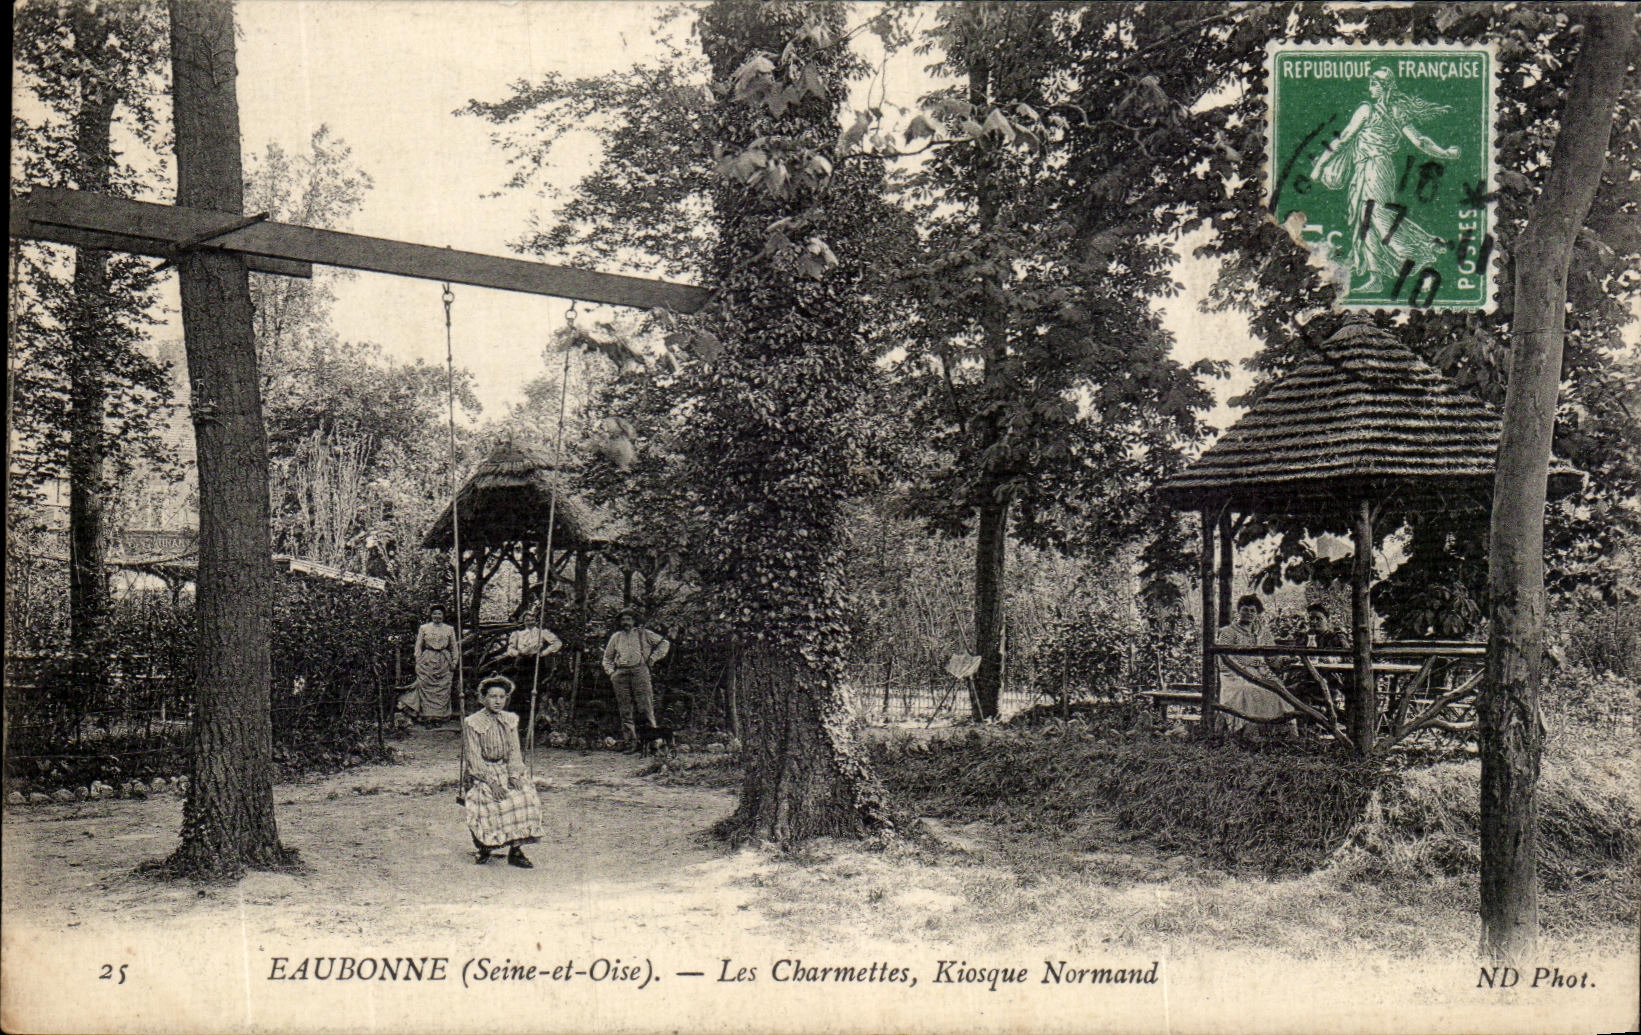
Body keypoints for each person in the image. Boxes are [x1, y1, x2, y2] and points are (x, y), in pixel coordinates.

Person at [1308, 68, 1460, 294]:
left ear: (1384, 87)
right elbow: (1420, 141)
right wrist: (1444, 153)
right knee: (1366, 220)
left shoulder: (1367, 109)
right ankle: (1376, 277)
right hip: (1373, 168)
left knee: (1375, 215)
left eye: (1374, 84)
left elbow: (1344, 138)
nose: (1370, 88)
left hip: (1373, 168)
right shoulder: (1397, 111)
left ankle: (1422, 246)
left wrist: (1320, 165)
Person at [462, 676, 543, 867]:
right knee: (490, 800)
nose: (498, 701)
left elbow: (515, 751)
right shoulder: (473, 723)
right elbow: (474, 758)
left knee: (524, 796)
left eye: (502, 697)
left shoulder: (510, 720)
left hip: (506, 769)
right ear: (483, 699)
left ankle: (516, 850)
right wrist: (492, 783)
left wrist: (514, 775)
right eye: (492, 696)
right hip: (482, 772)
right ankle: (485, 846)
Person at [1216, 594, 1293, 732]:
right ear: (1238, 611)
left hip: (1261, 673)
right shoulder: (1228, 633)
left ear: (1257, 613)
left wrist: (1284, 660)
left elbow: (1272, 658)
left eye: (1253, 611)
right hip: (1234, 675)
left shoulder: (1263, 633)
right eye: (1245, 610)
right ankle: (1249, 731)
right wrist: (1246, 668)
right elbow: (1224, 661)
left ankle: (1275, 731)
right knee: (1248, 691)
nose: (1249, 614)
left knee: (1279, 691)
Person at [601, 609, 669, 751]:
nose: (626, 622)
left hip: (640, 671)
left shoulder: (644, 634)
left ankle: (652, 743)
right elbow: (607, 658)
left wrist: (653, 658)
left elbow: (664, 644)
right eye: (623, 619)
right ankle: (630, 743)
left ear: (634, 621)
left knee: (645, 707)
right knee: (625, 709)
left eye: (629, 619)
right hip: (621, 674)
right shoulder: (616, 637)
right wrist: (612, 673)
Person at [398, 605, 457, 720]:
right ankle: (426, 716)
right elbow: (418, 646)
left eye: (439, 614)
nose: (437, 616)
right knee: (425, 685)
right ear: (431, 615)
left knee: (442, 689)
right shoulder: (424, 628)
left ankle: (440, 717)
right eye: (434, 613)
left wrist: (454, 661)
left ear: (443, 615)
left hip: (444, 661)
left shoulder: (449, 629)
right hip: (427, 659)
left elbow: (453, 647)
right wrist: (418, 660)